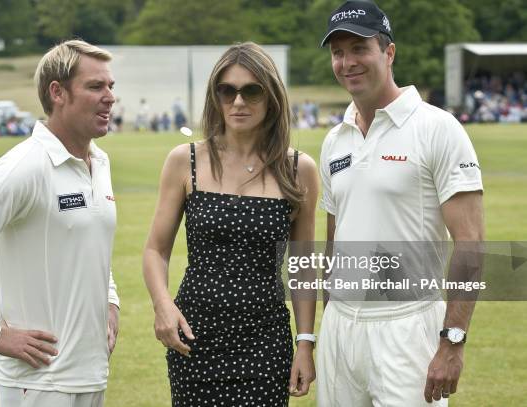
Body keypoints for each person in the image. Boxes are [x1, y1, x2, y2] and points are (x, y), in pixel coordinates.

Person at [0, 39, 120, 407]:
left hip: (91, 370)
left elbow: (91, 243)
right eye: (96, 86)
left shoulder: (100, 162)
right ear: (58, 93)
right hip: (39, 381)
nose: (110, 97)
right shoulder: (25, 166)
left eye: (111, 86)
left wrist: (110, 302)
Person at [316, 1, 484, 406]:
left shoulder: (437, 128)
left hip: (406, 325)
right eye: (338, 52)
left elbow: (472, 242)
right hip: (341, 330)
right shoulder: (334, 139)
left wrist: (453, 341)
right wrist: (325, 327)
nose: (347, 62)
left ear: (388, 52)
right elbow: (335, 241)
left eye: (360, 49)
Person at [142, 42, 319, 406]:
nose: (238, 102)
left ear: (271, 97)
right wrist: (163, 306)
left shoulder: (299, 169)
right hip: (195, 337)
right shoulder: (185, 160)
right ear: (215, 96)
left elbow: (302, 270)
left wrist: (305, 342)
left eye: (251, 91)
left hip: (264, 341)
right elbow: (155, 250)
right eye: (228, 91)